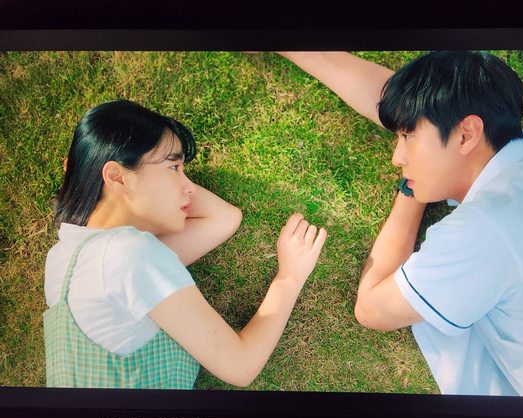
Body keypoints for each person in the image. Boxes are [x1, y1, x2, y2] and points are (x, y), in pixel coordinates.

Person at [277, 51, 523, 397]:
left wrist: (411, 192)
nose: (396, 157)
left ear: (466, 134)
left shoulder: (481, 232)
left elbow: (372, 309)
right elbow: (423, 114)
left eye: (407, 137)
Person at [44, 99, 327, 389]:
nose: (189, 186)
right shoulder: (131, 255)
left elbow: (222, 219)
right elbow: (241, 365)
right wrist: (290, 277)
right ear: (117, 177)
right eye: (174, 167)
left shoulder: (64, 258)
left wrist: (89, 177)